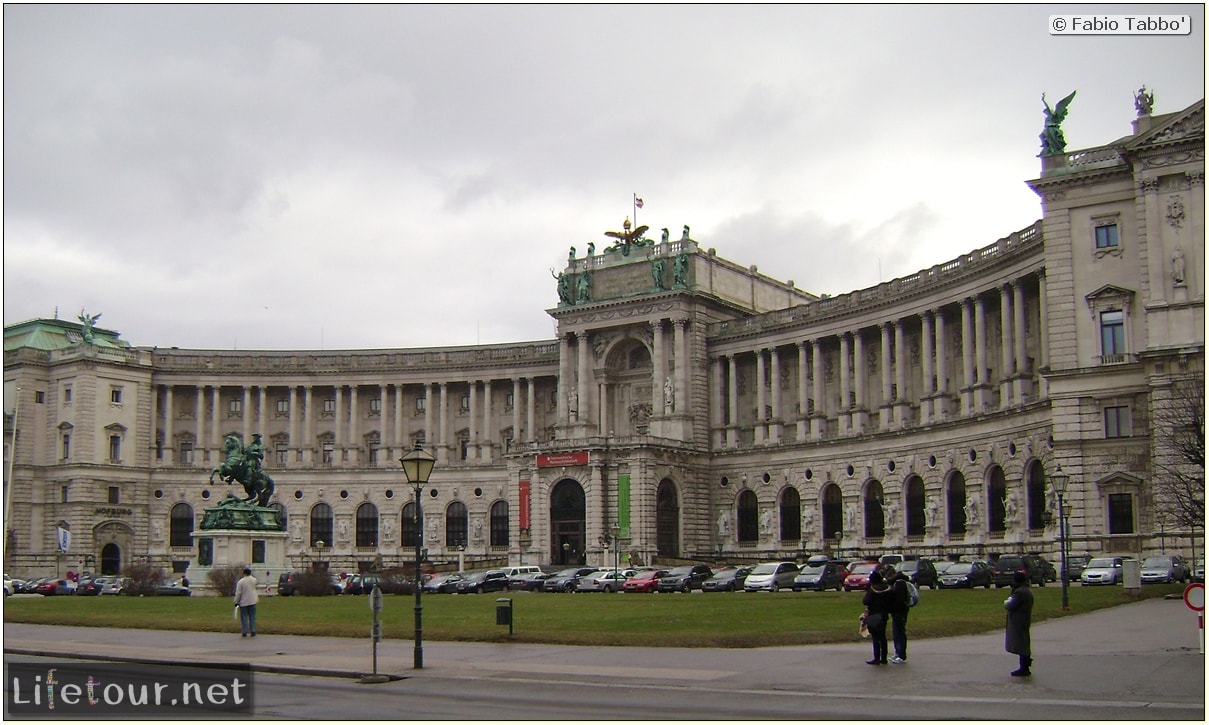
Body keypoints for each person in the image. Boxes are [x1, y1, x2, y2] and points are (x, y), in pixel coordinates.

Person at [861, 569, 894, 665]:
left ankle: (876, 657)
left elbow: (865, 601)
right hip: (884, 615)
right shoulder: (887, 588)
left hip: (874, 615)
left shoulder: (873, 590)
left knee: (875, 637)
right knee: (883, 637)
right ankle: (884, 658)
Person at [1004, 570, 1034, 676]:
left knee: (1021, 644)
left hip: (1018, 620)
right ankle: (1025, 665)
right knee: (1024, 642)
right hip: (1023, 619)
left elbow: (1009, 605)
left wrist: (1007, 600)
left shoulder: (1020, 592)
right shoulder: (1026, 590)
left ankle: (1024, 667)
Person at [883, 564, 911, 664]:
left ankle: (901, 654)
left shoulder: (899, 583)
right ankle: (898, 652)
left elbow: (899, 600)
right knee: (896, 632)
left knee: (900, 632)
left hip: (900, 611)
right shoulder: (896, 582)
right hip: (898, 611)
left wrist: (891, 607)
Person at [234, 567, 259, 637]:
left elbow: (238, 592)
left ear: (244, 573)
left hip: (244, 601)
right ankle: (253, 630)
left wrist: (236, 601)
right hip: (252, 600)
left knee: (244, 617)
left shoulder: (241, 582)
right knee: (252, 616)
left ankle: (244, 631)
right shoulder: (254, 580)